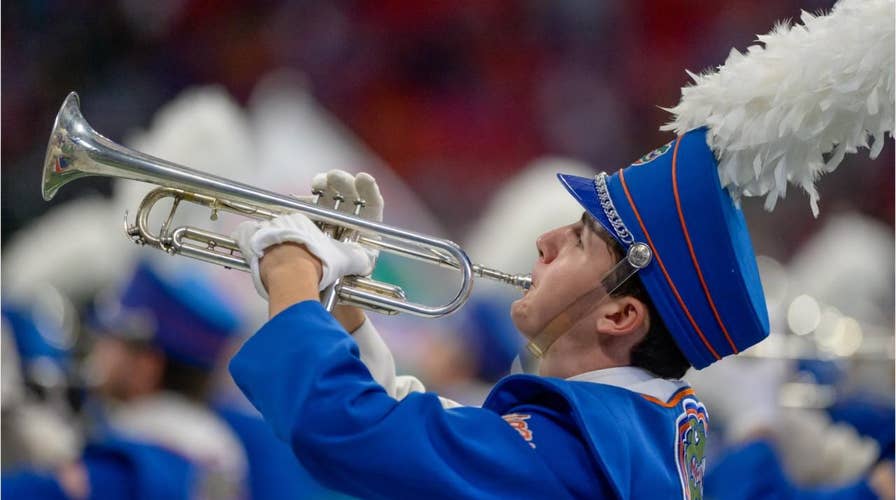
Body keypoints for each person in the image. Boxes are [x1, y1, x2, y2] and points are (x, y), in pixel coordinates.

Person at [2, 260, 249, 500]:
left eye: (112, 339)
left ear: (146, 367)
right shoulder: (218, 450)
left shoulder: (128, 467)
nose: (99, 346)